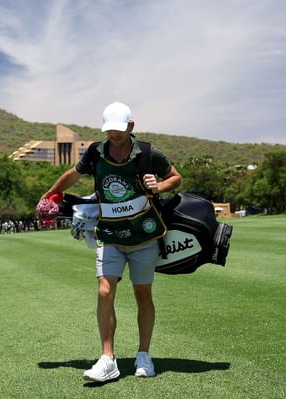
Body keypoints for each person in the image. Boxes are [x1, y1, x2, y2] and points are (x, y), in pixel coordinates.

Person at [41, 101, 182, 382]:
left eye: (119, 130)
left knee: (143, 294)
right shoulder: (96, 152)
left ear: (130, 126)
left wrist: (160, 185)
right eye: (110, 131)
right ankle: (108, 358)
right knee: (105, 291)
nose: (114, 136)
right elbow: (73, 174)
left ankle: (143, 354)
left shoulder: (148, 152)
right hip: (109, 235)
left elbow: (175, 178)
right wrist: (51, 193)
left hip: (144, 233)